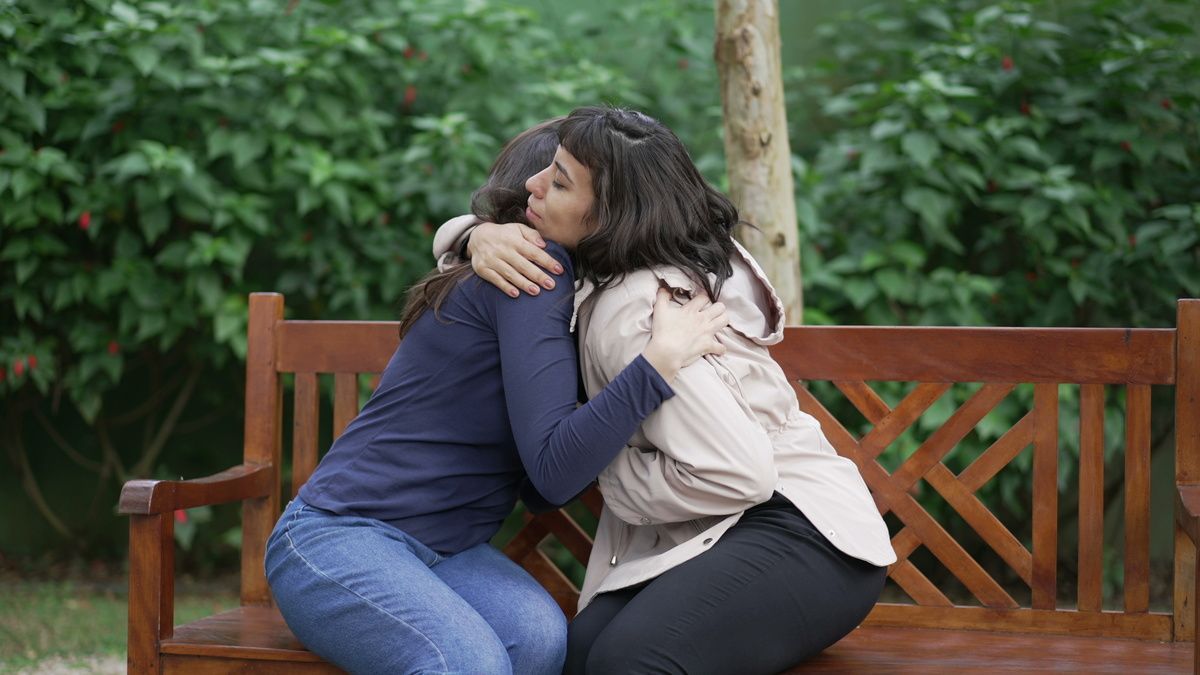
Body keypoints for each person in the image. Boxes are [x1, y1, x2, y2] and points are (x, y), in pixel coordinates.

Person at [435, 106, 897, 675]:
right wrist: (473, 233)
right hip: (723, 530)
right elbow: (488, 235)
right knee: (581, 658)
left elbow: (740, 473)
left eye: (557, 182)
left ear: (609, 215)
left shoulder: (638, 308)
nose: (533, 188)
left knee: (630, 664)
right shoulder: (596, 280)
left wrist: (609, 475)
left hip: (804, 533)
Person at [263, 118, 730, 675]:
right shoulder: (532, 278)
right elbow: (554, 477)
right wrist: (657, 365)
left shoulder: (562, 293)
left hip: (446, 551)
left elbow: (536, 487)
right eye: (543, 178)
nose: (540, 187)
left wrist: (467, 233)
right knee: (467, 663)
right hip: (338, 536)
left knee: (538, 641)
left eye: (558, 181)